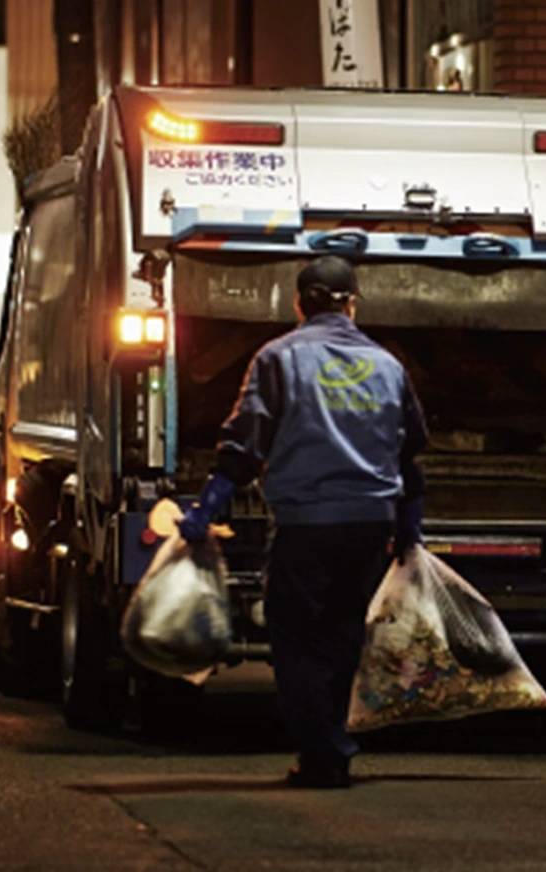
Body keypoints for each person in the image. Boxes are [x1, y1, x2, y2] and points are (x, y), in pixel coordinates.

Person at [178, 254, 429, 788]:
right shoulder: (388, 366)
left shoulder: (279, 358)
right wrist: (409, 533)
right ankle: (331, 745)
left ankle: (323, 751)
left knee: (295, 639)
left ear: (299, 304)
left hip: (306, 524)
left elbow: (243, 447)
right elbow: (410, 457)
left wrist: (205, 510)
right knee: (344, 635)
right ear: (352, 304)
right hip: (371, 525)